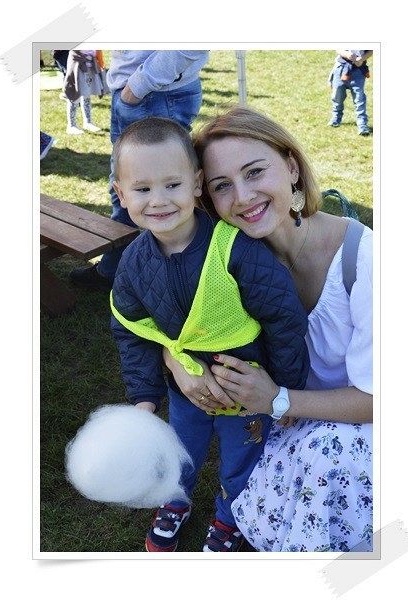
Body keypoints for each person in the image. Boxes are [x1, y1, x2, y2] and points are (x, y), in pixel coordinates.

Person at [164, 106, 373, 552]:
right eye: (222, 185)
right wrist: (177, 363)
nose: (242, 197)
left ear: (291, 167)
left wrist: (277, 399)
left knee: (328, 454)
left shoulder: (369, 262)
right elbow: (172, 318)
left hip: (355, 429)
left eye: (255, 172)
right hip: (281, 420)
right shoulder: (226, 261)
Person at [109, 117, 310, 552]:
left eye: (172, 185)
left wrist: (285, 389)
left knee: (241, 460)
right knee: (180, 450)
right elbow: (132, 330)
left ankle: (231, 516)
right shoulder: (132, 264)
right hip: (186, 392)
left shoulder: (236, 248)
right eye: (142, 189)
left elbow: (284, 319)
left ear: (197, 184)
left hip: (248, 391)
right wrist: (144, 397)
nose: (158, 200)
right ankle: (174, 500)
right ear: (120, 194)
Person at [70, 50, 209, 291]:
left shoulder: (143, 87)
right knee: (131, 188)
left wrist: (136, 87)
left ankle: (175, 276)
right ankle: (122, 270)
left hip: (154, 92)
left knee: (162, 197)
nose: (157, 200)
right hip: (140, 91)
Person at [329, 49, 373, 136]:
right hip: (341, 68)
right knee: (337, 96)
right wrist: (346, 54)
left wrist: (362, 59)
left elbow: (371, 51)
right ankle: (336, 118)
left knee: (359, 98)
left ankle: (362, 125)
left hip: (358, 71)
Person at [62, 50, 105, 134]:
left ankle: (88, 122)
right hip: (77, 62)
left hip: (90, 63)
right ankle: (71, 125)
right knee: (74, 93)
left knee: (86, 94)